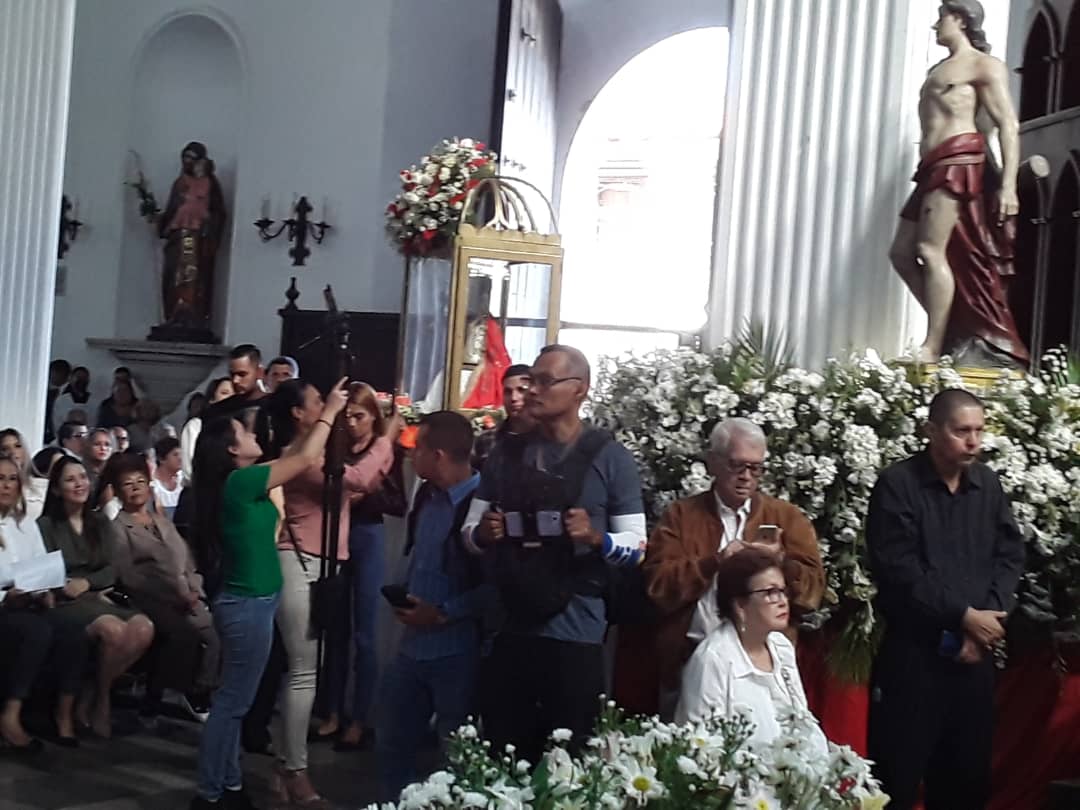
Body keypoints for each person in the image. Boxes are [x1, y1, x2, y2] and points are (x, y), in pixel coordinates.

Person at [463, 344, 647, 763]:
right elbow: (467, 536)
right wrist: (484, 535)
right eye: (531, 381)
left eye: (545, 382)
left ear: (579, 389)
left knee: (572, 757)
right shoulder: (504, 454)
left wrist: (596, 538)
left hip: (576, 631)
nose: (532, 391)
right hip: (509, 626)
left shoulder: (611, 459)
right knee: (504, 755)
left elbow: (637, 547)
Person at [189, 379, 347, 810]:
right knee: (231, 704)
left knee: (236, 701)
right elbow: (305, 459)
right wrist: (330, 411)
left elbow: (298, 458)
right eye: (243, 432)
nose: (252, 433)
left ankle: (230, 785)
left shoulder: (244, 481)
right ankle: (209, 793)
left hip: (255, 601)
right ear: (230, 449)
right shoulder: (241, 482)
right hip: (246, 604)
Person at [866, 389, 1024, 810]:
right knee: (895, 782)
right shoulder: (898, 485)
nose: (973, 442)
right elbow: (900, 570)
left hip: (975, 659)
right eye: (961, 431)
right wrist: (964, 616)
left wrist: (988, 620)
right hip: (915, 659)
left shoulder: (987, 484)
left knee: (966, 784)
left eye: (979, 431)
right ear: (931, 431)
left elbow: (1009, 555)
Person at [264, 379, 392, 803]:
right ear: (299, 414)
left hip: (320, 564)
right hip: (299, 562)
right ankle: (295, 771)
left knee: (302, 670)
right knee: (303, 671)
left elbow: (347, 493)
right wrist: (386, 439)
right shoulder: (299, 455)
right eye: (318, 401)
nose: (327, 404)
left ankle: (283, 764)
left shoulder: (315, 453)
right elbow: (356, 478)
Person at [644, 418, 826, 705]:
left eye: (756, 468)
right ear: (712, 463)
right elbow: (657, 586)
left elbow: (813, 592)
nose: (746, 477)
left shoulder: (786, 517)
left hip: (766, 665)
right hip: (690, 657)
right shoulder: (681, 516)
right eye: (736, 465)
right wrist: (715, 562)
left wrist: (780, 563)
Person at [888, 1, 1027, 367]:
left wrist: (1009, 184)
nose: (936, 26)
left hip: (958, 162)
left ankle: (933, 346)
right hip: (932, 166)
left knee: (930, 250)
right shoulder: (938, 70)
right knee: (901, 252)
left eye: (942, 18)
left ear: (961, 20)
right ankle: (952, 327)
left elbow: (1007, 124)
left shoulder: (984, 65)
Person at [378, 411, 488, 800]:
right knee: (393, 742)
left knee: (456, 750)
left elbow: (495, 586)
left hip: (458, 649)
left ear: (438, 455)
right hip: (412, 647)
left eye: (417, 448)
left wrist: (442, 613)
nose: (410, 456)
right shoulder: (427, 495)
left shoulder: (482, 506)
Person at [38, 456, 156, 738]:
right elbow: (44, 572)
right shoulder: (46, 525)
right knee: (113, 630)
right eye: (70, 479)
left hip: (97, 593)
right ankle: (101, 704)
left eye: (82, 477)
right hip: (65, 600)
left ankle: (94, 693)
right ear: (56, 489)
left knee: (144, 628)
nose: (80, 484)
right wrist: (72, 585)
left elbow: (113, 568)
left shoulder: (100, 521)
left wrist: (88, 582)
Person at [315, 382, 402, 751]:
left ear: (373, 417)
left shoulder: (383, 449)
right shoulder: (335, 448)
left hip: (367, 534)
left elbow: (396, 501)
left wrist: (368, 490)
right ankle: (333, 711)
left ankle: (360, 717)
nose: (352, 423)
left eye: (359, 416)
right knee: (335, 630)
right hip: (337, 534)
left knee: (366, 633)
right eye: (347, 416)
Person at [675, 547, 828, 754]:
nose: (782, 601)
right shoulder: (712, 660)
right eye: (770, 593)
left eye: (783, 591)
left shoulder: (781, 646)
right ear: (740, 605)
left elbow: (803, 720)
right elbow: (699, 749)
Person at [109, 453, 219, 721]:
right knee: (183, 633)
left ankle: (201, 688)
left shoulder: (163, 522)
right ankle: (182, 692)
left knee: (216, 633)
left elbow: (187, 561)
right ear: (118, 492)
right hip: (150, 597)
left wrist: (195, 590)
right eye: (128, 484)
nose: (135, 488)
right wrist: (173, 595)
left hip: (186, 593)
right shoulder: (118, 528)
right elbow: (128, 574)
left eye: (140, 482)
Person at [0, 455, 88, 750]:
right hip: (4, 605)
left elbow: (40, 567)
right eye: (0, 479)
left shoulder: (25, 524)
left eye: (12, 479)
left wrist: (44, 589)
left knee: (73, 630)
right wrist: (7, 597)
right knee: (36, 632)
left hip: (28, 601)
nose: (6, 485)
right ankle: (10, 714)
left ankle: (63, 715)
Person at [158, 142, 226, 327]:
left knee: (191, 275)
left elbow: (217, 212)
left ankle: (190, 314)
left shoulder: (210, 184)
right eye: (185, 157)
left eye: (191, 158)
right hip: (177, 235)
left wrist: (209, 228)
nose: (187, 161)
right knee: (173, 275)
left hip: (195, 236)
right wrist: (159, 221)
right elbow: (172, 209)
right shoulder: (179, 183)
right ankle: (173, 313)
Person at [472, 364, 533, 470]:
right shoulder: (487, 439)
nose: (513, 398)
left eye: (521, 390)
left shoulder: (548, 439)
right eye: (508, 392)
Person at [181, 376, 234, 480]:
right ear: (212, 399)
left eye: (235, 394)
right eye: (224, 393)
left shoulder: (242, 428)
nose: (231, 398)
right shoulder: (196, 426)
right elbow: (189, 469)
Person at [151, 436, 184, 519]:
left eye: (181, 454)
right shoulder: (152, 485)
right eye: (175, 455)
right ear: (161, 459)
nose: (180, 458)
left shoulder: (184, 481)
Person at [45, 358, 71, 443]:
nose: (49, 376)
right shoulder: (49, 392)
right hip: (48, 435)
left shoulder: (71, 393)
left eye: (51, 373)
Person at [83, 428, 114, 498]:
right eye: (97, 444)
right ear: (88, 446)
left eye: (107, 444)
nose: (103, 448)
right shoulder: (81, 471)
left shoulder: (115, 472)